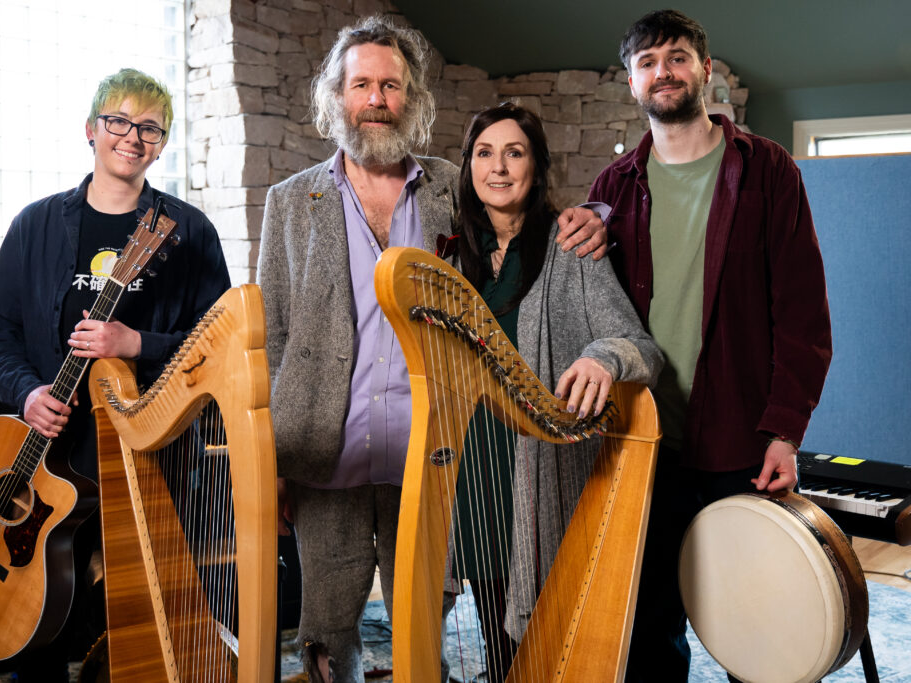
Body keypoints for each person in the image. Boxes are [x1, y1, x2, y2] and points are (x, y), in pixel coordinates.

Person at [256, 16, 608, 683]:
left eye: (392, 85)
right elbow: (273, 332)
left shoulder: (455, 185)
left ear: (412, 98)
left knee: (425, 618)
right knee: (327, 631)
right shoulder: (289, 200)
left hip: (437, 447)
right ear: (338, 95)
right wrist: (272, 454)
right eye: (362, 84)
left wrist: (599, 216)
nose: (378, 99)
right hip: (321, 448)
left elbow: (525, 216)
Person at [572, 10, 832, 681]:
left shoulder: (768, 170)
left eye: (678, 56)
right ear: (631, 82)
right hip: (644, 440)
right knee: (649, 625)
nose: (665, 71)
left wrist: (785, 431)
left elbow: (803, 314)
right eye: (649, 62)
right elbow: (597, 313)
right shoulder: (612, 188)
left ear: (705, 70)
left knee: (757, 623)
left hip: (740, 440)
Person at [0, 68, 230, 679]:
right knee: (35, 613)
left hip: (149, 458)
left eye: (150, 128)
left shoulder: (188, 232)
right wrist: (28, 391)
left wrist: (135, 341)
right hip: (49, 458)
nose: (132, 137)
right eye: (118, 121)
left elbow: (217, 345)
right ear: (91, 130)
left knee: (138, 620)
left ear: (161, 144)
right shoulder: (34, 226)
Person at [449, 102, 663, 679]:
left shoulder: (573, 249)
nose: (498, 167)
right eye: (484, 153)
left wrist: (602, 358)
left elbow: (640, 345)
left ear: (536, 167)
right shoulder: (451, 258)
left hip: (541, 473)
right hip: (473, 470)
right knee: (493, 629)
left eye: (514, 153)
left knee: (545, 634)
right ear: (468, 167)